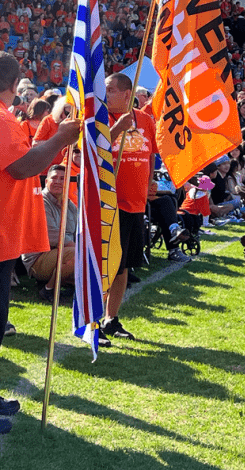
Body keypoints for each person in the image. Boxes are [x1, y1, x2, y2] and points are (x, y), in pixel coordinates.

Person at [0, 52, 80, 435]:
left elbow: (18, 150)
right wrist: (63, 137)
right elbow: (22, 165)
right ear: (14, 85)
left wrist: (51, 130)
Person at [101, 72, 156, 340]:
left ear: (126, 93)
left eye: (110, 89)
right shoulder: (99, 118)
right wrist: (117, 129)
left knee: (123, 267)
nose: (106, 93)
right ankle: (93, 321)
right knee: (105, 265)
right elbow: (93, 152)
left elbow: (151, 153)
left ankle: (111, 318)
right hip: (108, 203)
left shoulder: (145, 120)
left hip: (135, 204)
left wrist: (150, 182)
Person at [20, 164, 79, 300]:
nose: (58, 181)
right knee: (76, 254)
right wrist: (83, 255)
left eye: (62, 178)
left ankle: (71, 284)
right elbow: (55, 237)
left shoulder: (69, 204)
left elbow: (77, 232)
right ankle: (48, 289)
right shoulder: (39, 202)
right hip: (38, 259)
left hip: (59, 253)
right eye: (54, 178)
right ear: (46, 181)